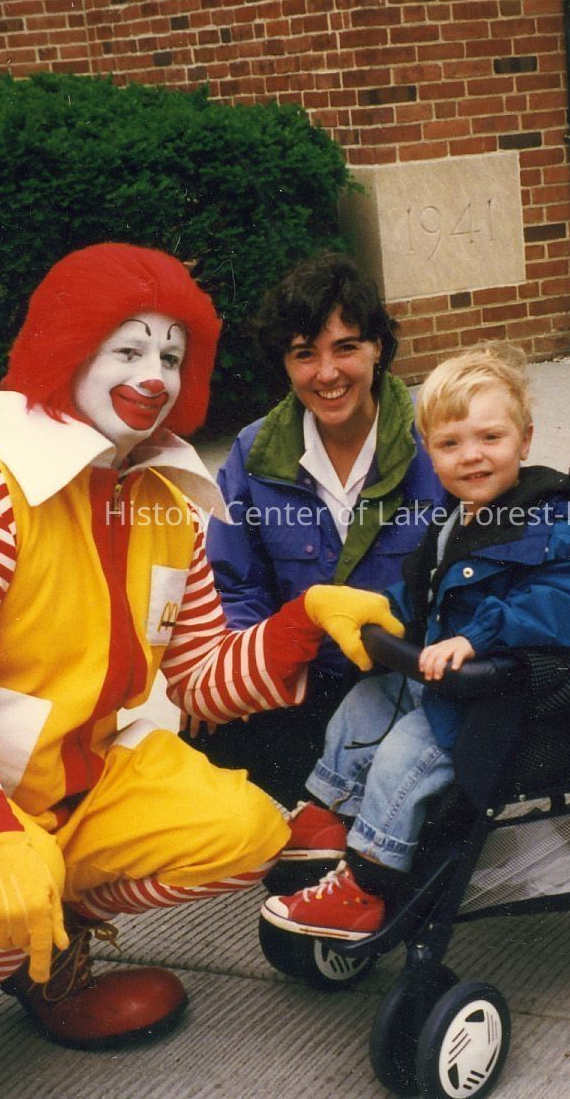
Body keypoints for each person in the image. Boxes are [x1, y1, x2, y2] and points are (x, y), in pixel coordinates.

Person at [0, 244, 400, 1099]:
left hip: (83, 777)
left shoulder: (161, 499)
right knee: (6, 883)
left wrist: (302, 622)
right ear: (67, 348)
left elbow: (200, 680)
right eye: (127, 348)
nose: (154, 376)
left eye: (170, 356)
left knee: (246, 833)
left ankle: (47, 947)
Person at [257, 344, 570, 940]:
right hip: (447, 681)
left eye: (490, 438)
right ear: (430, 452)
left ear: (525, 441)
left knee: (405, 751)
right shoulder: (455, 522)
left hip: (502, 699)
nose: (471, 456)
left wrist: (478, 636)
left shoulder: (551, 527)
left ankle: (369, 882)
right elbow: (422, 592)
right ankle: (327, 814)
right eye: (450, 444)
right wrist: (387, 617)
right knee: (367, 701)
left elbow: (565, 604)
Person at [199, 254, 447, 804]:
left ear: (378, 347)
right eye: (304, 353)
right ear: (285, 365)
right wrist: (247, 683)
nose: (327, 373)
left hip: (409, 687)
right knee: (211, 776)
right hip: (300, 684)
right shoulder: (254, 453)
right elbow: (234, 586)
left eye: (346, 347)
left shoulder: (438, 442)